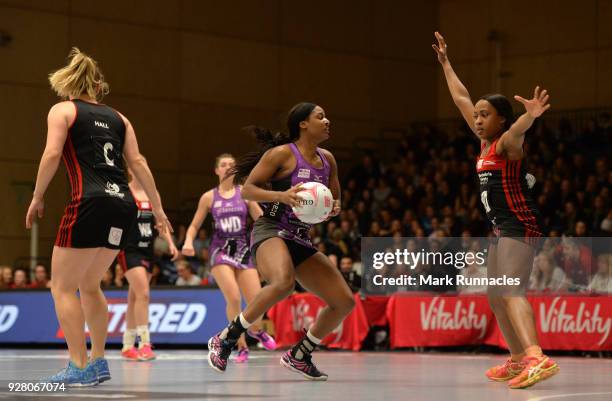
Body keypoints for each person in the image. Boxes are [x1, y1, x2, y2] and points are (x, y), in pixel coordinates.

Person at [25, 48, 171, 386]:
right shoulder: (120, 118)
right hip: (124, 206)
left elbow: (51, 153)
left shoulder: (63, 110)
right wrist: (158, 207)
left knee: (61, 287)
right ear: (97, 86)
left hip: (88, 202)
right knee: (90, 284)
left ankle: (78, 366)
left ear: (68, 85)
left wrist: (37, 196)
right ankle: (99, 361)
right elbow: (139, 164)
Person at [433, 32, 558, 389]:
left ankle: (537, 356)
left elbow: (519, 131)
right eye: (476, 116)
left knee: (512, 291)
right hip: (500, 228)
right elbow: (460, 97)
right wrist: (446, 63)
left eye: (485, 115)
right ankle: (519, 359)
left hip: (519, 224)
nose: (477, 119)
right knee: (494, 296)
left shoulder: (506, 143)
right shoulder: (485, 145)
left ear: (501, 119)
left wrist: (529, 116)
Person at [206, 102, 355, 380]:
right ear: (303, 124)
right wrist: (281, 196)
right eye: (320, 116)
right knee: (283, 283)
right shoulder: (282, 155)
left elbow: (336, 200)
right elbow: (248, 189)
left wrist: (333, 208)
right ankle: (226, 338)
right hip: (271, 229)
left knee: (344, 301)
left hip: (300, 237)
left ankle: (300, 355)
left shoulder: (328, 160)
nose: (327, 121)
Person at [182, 153, 276, 363]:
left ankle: (257, 330)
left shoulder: (245, 193)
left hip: (243, 250)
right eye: (223, 165)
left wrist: (274, 235)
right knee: (233, 297)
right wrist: (188, 241)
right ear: (216, 170)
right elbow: (195, 225)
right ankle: (240, 345)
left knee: (257, 299)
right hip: (220, 251)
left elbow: (260, 218)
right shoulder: (209, 197)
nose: (227, 168)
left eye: (232, 165)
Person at [119, 167, 179, 361]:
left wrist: (170, 243)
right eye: (139, 166)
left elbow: (161, 223)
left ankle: (127, 346)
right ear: (131, 170)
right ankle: (144, 344)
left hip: (147, 249)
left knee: (134, 298)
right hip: (129, 249)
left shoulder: (153, 194)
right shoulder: (124, 191)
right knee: (143, 293)